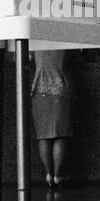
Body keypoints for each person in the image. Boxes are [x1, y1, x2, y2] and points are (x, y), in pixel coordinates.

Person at [31, 49, 77, 187]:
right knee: (60, 135)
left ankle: (48, 174)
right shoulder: (64, 40)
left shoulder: (35, 42)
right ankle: (58, 175)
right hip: (62, 89)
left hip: (39, 89)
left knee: (43, 136)